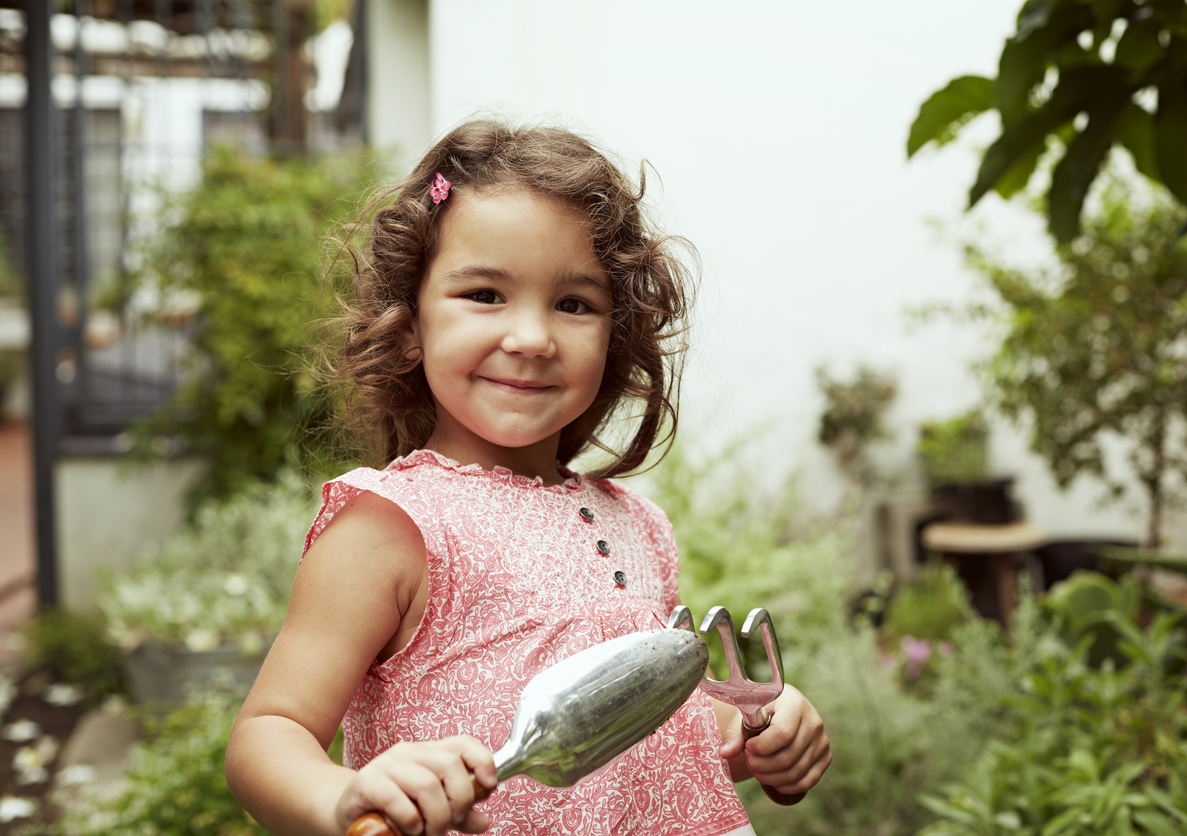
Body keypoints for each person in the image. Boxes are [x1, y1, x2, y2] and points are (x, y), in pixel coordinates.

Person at [225, 119, 831, 836]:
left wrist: (752, 731)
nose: (533, 338)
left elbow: (632, 732)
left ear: (616, 334)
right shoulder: (393, 526)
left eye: (574, 304)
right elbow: (267, 735)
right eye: (484, 294)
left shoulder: (637, 527)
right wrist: (341, 797)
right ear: (411, 319)